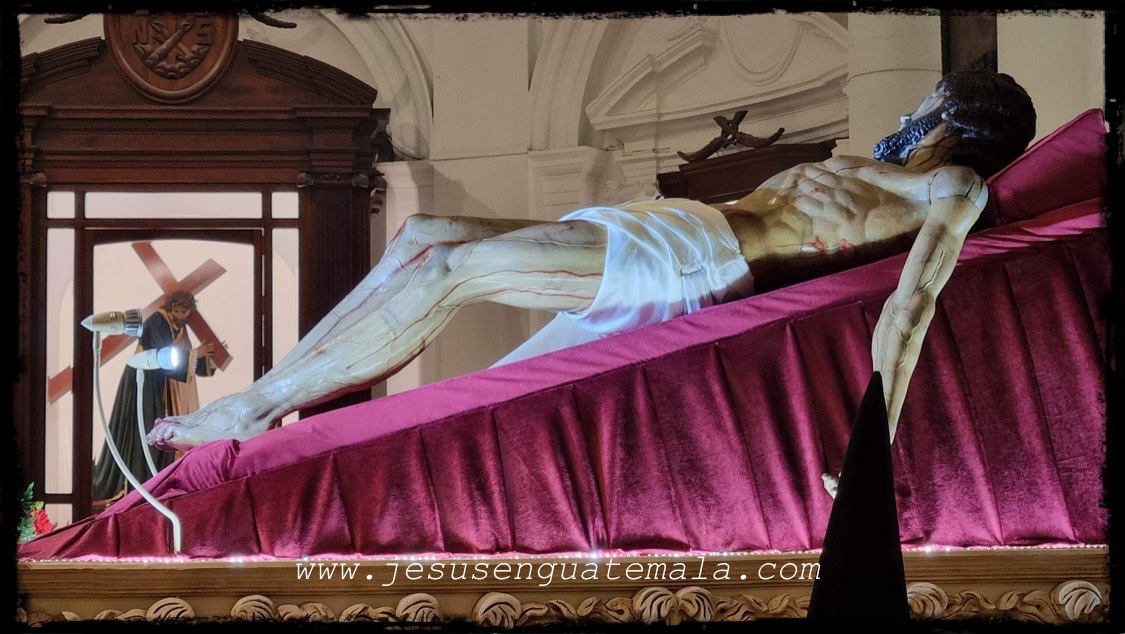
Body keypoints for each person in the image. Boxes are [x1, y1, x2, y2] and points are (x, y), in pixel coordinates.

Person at [147, 70, 1035, 455]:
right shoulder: (879, 168)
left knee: (451, 272)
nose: (911, 114)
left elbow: (910, 308)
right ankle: (269, 395)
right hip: (677, 228)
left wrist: (871, 434)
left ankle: (251, 410)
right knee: (424, 236)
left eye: (930, 103)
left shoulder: (950, 188)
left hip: (696, 258)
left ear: (959, 120)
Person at [92, 290, 218, 501]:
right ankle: (142, 484)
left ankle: (157, 480)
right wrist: (197, 354)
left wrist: (207, 358)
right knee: (144, 427)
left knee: (160, 428)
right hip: (143, 379)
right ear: (170, 308)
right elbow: (165, 357)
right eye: (177, 311)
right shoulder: (158, 321)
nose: (180, 315)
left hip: (160, 383)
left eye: (184, 312)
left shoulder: (178, 327)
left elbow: (182, 359)